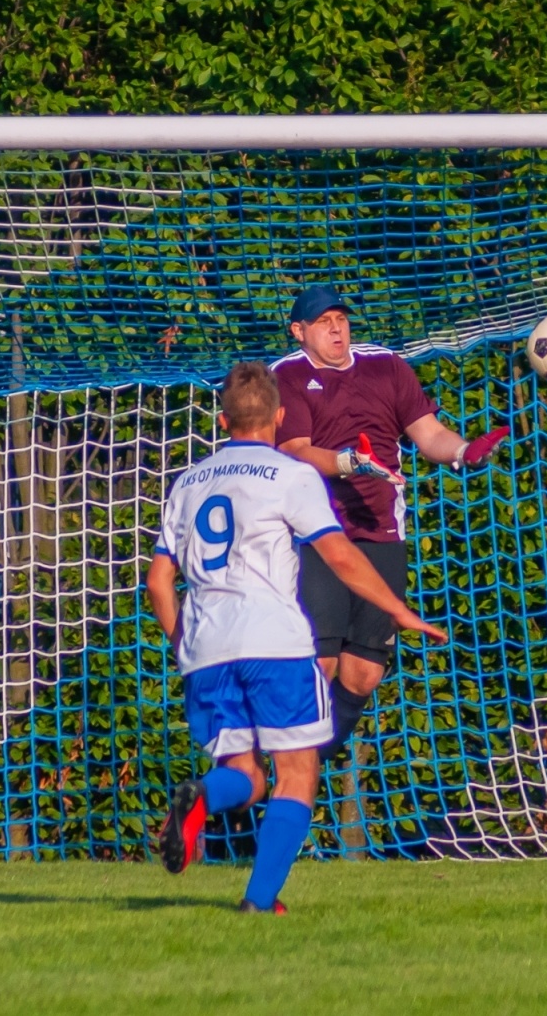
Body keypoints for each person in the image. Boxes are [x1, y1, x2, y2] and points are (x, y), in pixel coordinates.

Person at [146, 361, 446, 914]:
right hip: (274, 644)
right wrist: (398, 610)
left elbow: (159, 581)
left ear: (223, 419)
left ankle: (205, 797)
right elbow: (339, 556)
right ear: (280, 417)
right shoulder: (291, 474)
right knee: (297, 774)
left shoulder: (187, 483)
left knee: (245, 776)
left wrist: (183, 644)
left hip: (207, 650)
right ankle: (259, 902)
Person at [271, 285, 508, 762]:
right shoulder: (287, 375)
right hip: (319, 536)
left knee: (363, 674)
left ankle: (302, 766)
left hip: (382, 532)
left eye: (341, 317)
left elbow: (430, 435)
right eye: (323, 321)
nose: (337, 327)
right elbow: (293, 451)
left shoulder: (386, 366)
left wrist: (463, 452)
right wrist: (348, 463)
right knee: (321, 661)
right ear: (299, 332)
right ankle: (274, 766)